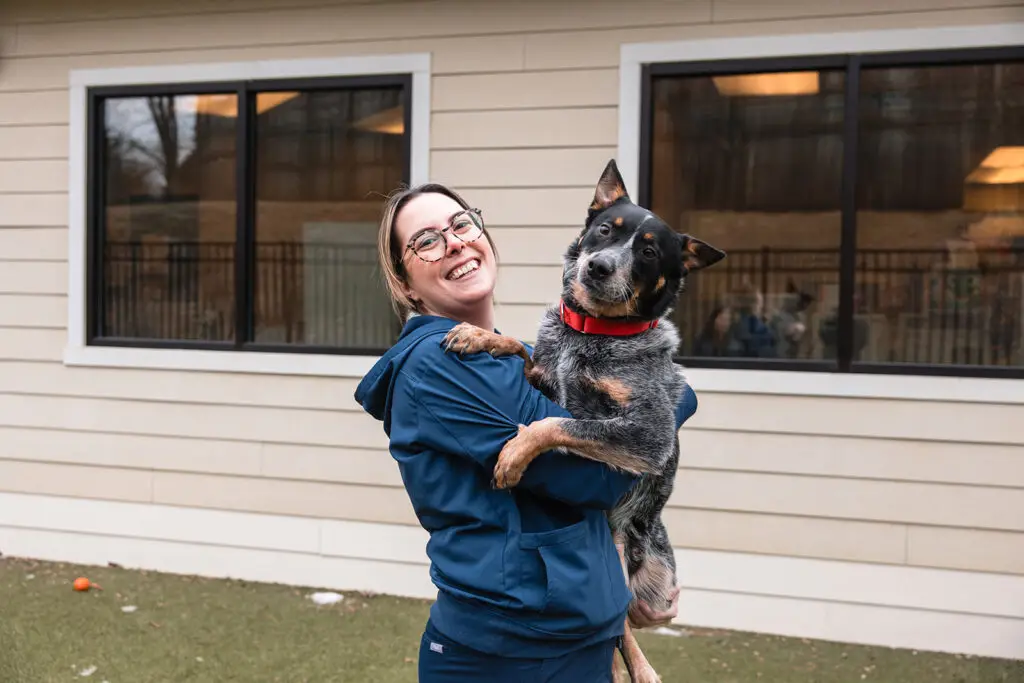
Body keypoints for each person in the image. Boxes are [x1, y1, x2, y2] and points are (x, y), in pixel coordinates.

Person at [354, 183, 699, 682]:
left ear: (485, 237)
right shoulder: (442, 363)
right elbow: (594, 482)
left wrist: (624, 584)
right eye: (425, 241)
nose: (453, 242)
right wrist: (672, 398)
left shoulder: (511, 355)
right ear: (405, 283)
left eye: (461, 224)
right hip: (510, 657)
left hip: (573, 643)